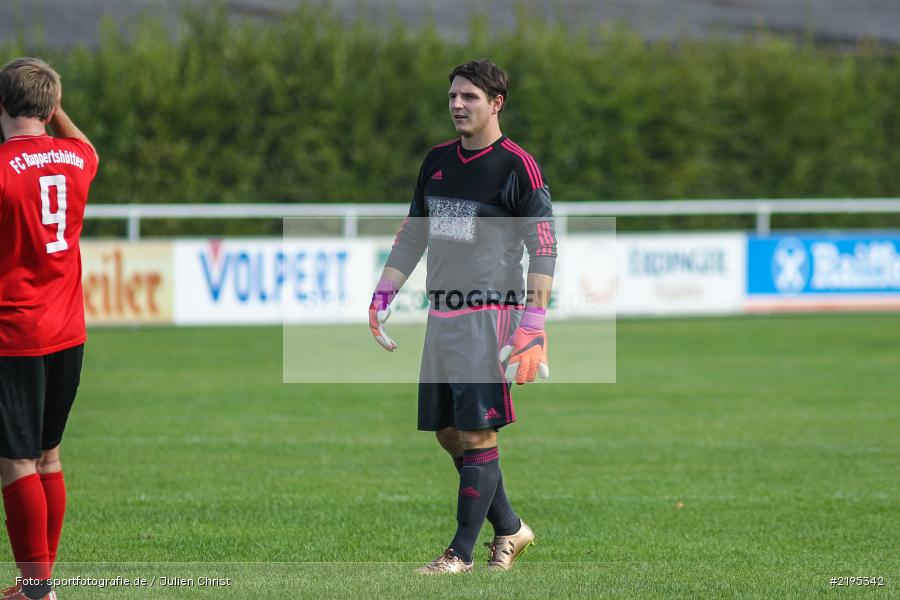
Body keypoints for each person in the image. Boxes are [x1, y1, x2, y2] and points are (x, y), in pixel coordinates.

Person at [369, 59, 556, 574]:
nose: (457, 104)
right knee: (449, 432)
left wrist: (533, 324)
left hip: (490, 316)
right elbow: (414, 234)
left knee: (477, 434)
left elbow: (544, 248)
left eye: (469, 96)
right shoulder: (436, 161)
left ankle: (460, 554)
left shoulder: (517, 166)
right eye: (453, 95)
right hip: (443, 314)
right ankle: (511, 528)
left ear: (496, 103)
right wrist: (383, 293)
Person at [0, 57, 99, 600]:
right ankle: (37, 584)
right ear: (52, 105)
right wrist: (56, 109)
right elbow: (86, 145)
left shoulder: (2, 167)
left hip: (15, 334)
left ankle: (37, 590)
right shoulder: (78, 159)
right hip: (68, 332)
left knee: (16, 461)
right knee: (48, 456)